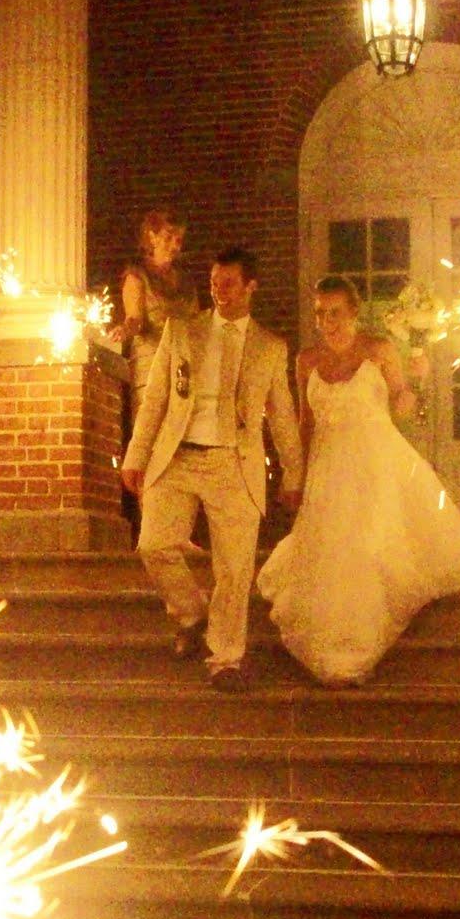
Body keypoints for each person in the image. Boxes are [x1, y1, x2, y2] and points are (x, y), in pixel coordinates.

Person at [257, 277, 460, 685]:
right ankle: (334, 636)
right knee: (333, 550)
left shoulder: (379, 350)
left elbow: (402, 405)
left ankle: (358, 639)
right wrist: (296, 474)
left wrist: (418, 377)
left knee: (367, 544)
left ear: (353, 311)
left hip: (375, 460)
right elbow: (305, 421)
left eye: (334, 312)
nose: (326, 321)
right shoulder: (306, 360)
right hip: (329, 467)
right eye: (319, 312)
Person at [121, 247, 304, 692]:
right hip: (178, 453)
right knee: (154, 544)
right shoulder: (182, 331)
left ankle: (226, 657)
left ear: (249, 287)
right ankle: (190, 613)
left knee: (235, 566)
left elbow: (281, 415)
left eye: (228, 283)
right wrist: (136, 455)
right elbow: (157, 399)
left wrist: (294, 474)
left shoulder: (270, 347)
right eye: (214, 282)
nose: (218, 291)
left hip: (233, 462)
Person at [119, 210, 199, 416]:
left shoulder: (186, 281)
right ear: (152, 236)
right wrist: (125, 330)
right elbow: (134, 318)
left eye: (179, 239)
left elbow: (198, 322)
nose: (175, 245)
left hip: (184, 368)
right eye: (169, 237)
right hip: (152, 367)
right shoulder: (137, 276)